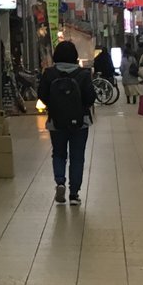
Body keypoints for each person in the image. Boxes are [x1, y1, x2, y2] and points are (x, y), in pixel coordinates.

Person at [37, 40, 95, 206]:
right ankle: (74, 194)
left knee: (59, 153)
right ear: (74, 56)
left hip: (56, 121)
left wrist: (55, 106)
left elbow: (42, 95)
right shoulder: (83, 74)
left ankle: (60, 182)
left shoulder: (49, 73)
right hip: (80, 123)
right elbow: (91, 97)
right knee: (77, 157)